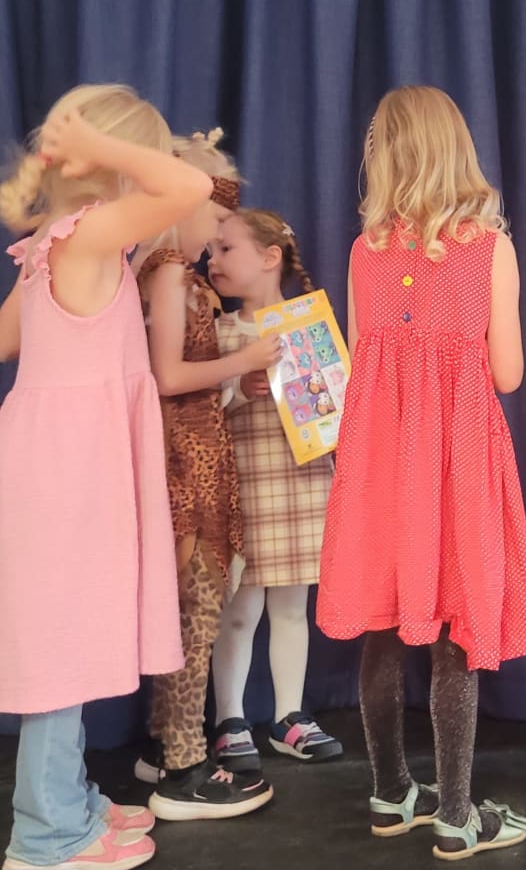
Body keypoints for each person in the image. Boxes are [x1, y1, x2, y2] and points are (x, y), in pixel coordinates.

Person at [317, 86, 526, 860]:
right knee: (456, 624)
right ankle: (455, 814)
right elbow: (508, 373)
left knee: (382, 625)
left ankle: (391, 792)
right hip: (459, 461)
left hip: (380, 463)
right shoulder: (490, 248)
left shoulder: (365, 251)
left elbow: (360, 365)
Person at [0, 84, 213, 869]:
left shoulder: (57, 246)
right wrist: (104, 149)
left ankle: (69, 798)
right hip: (69, 471)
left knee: (72, 630)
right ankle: (46, 834)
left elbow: (9, 340)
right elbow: (189, 185)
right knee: (61, 647)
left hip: (59, 464)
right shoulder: (88, 236)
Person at [132, 131, 279, 820]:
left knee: (192, 608)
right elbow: (168, 376)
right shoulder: (169, 273)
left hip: (198, 453)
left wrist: (235, 381)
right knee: (196, 613)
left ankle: (168, 743)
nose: (218, 237)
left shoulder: (173, 276)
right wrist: (244, 359)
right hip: (185, 465)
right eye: (216, 220)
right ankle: (185, 766)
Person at [207, 208, 343, 771]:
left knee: (291, 608)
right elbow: (198, 411)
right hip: (243, 486)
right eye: (210, 250)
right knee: (238, 611)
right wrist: (240, 386)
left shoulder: (309, 326)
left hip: (300, 483)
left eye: (225, 249)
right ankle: (230, 720)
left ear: (269, 258)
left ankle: (289, 717)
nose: (212, 260)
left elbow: (335, 406)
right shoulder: (219, 332)